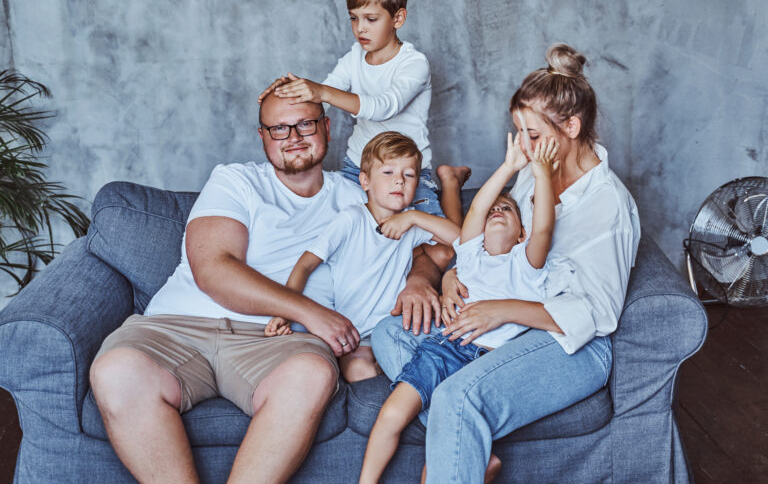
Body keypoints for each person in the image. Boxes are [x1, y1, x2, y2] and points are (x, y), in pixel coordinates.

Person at [88, 90, 445, 483]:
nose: (293, 136)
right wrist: (310, 311)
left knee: (310, 375)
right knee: (116, 371)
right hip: (179, 326)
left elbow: (421, 243)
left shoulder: (356, 195)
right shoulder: (235, 181)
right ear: (263, 136)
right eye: (279, 128)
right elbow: (214, 270)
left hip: (281, 341)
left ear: (326, 127)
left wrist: (419, 280)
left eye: (305, 123)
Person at [372, 43, 641, 483]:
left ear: (572, 126)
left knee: (457, 398)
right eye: (519, 133)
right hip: (500, 326)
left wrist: (502, 310)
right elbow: (495, 248)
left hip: (567, 340)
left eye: (534, 135)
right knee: (390, 330)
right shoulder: (532, 174)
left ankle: (460, 430)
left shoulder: (608, 206)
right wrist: (453, 278)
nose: (526, 146)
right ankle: (465, 446)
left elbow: (600, 315)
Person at [359, 134, 560, 484]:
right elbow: (478, 208)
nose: (496, 210)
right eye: (492, 209)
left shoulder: (525, 263)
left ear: (521, 233)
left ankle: (461, 454)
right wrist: (508, 167)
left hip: (489, 362)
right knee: (391, 414)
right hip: (444, 349)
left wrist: (540, 174)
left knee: (450, 423)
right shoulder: (470, 255)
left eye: (507, 209)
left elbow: (544, 225)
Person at [257, 0, 470, 226]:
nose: (360, 28)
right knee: (337, 231)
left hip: (405, 171)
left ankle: (450, 181)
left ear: (398, 18)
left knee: (441, 245)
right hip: (358, 168)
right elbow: (322, 102)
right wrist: (288, 90)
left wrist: (321, 91)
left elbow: (383, 107)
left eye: (371, 19)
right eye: (354, 18)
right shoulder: (353, 57)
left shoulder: (414, 64)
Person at [265, 131, 460, 383]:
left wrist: (414, 217)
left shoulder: (410, 222)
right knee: (359, 373)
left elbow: (463, 242)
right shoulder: (352, 219)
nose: (399, 181)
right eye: (388, 172)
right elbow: (305, 265)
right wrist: (285, 311)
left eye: (409, 175)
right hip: (355, 334)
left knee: (440, 357)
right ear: (365, 181)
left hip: (399, 327)